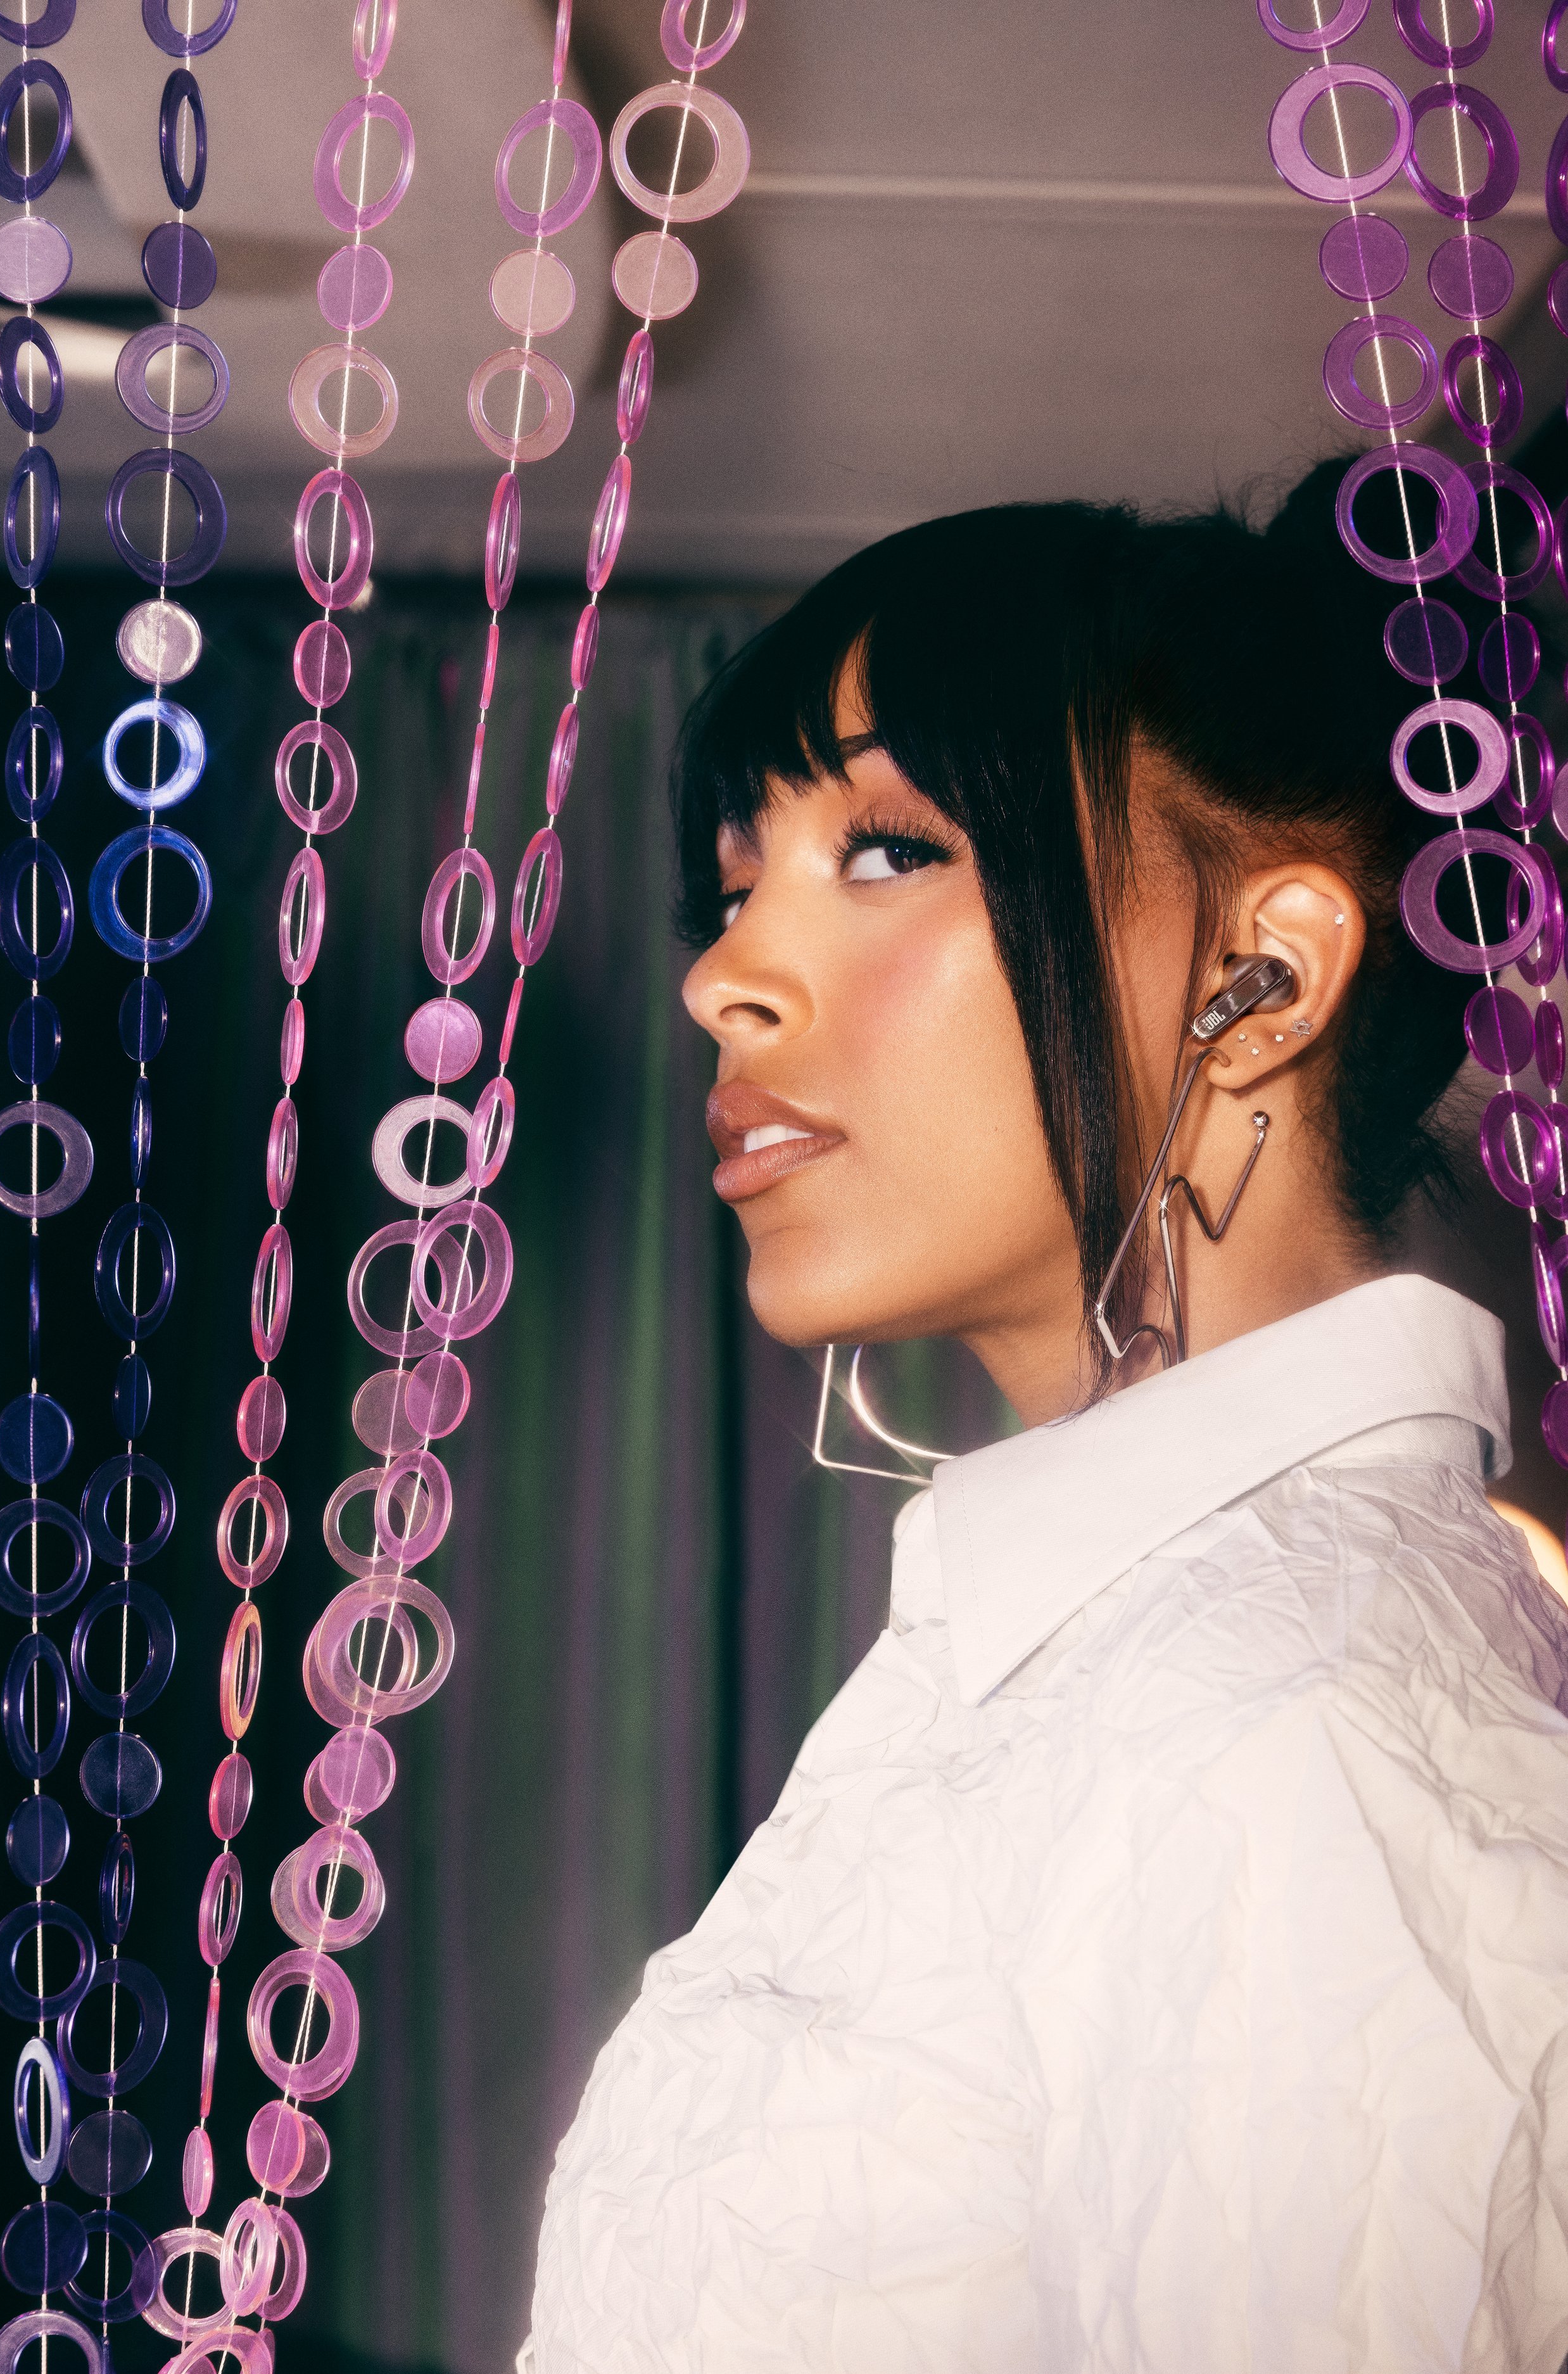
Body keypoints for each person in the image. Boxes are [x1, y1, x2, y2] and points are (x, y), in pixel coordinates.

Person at [521, 466, 1568, 2371]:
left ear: (1259, 976)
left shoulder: (1295, 1730)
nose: (722, 978)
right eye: (737, 884)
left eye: (886, 851)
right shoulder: (1125, 1658)